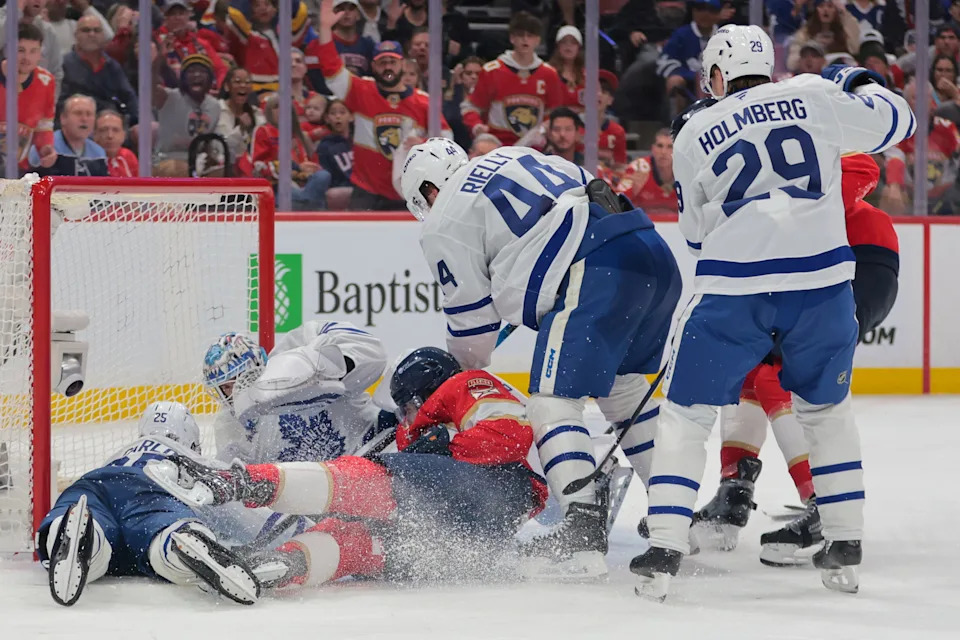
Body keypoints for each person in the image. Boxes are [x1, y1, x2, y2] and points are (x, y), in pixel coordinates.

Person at [633, 25, 914, 600]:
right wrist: (856, 79)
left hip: (737, 286)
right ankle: (844, 539)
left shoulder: (695, 130)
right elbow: (900, 120)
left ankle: (664, 544)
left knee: (686, 414)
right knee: (827, 408)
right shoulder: (813, 93)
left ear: (715, 75)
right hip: (825, 282)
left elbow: (694, 234)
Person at [399, 138, 682, 578]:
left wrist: (454, 379)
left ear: (426, 192)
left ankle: (582, 532)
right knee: (626, 394)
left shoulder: (442, 219)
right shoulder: (513, 155)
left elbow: (473, 341)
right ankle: (676, 521)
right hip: (651, 254)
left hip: (592, 268)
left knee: (551, 402)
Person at [146, 347, 547, 592]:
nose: (407, 418)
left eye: (409, 406)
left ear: (427, 390)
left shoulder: (467, 384)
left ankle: (242, 483)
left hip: (492, 489)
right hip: (465, 541)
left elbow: (510, 436)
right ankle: (277, 569)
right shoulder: (421, 432)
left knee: (372, 479)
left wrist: (449, 446)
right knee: (355, 544)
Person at [36, 402, 260, 607]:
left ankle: (83, 539)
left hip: (93, 485)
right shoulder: (189, 459)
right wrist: (268, 541)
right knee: (160, 527)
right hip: (150, 489)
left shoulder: (125, 451)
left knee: (96, 530)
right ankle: (178, 541)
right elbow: (233, 512)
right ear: (190, 439)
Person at [309, 0, 445, 211]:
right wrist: (325, 29)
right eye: (382, 62)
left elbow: (447, 140)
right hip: (366, 190)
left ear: (403, 64)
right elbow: (330, 69)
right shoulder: (361, 90)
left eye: (392, 61)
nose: (387, 66)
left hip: (408, 190)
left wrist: (425, 143)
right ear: (373, 66)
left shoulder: (423, 101)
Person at [202, 324, 392, 467]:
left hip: (381, 447)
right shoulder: (231, 428)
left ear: (258, 364)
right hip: (332, 497)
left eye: (239, 377)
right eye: (226, 387)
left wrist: (324, 368)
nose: (236, 390)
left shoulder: (293, 361)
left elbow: (374, 353)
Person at [461, 12, 563, 146]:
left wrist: (543, 130)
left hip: (535, 150)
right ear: (512, 38)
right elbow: (470, 107)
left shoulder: (549, 74)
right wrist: (477, 127)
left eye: (530, 35)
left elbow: (555, 114)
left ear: (538, 40)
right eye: (520, 35)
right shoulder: (492, 71)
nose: (525, 40)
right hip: (497, 147)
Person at [59, 15, 139, 124]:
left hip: (113, 123)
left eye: (97, 31)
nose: (92, 34)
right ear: (76, 35)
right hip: (78, 124)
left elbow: (129, 97)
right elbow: (61, 103)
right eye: (86, 30)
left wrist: (138, 121)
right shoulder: (63, 64)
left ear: (103, 36)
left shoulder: (112, 66)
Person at [152, 53, 221, 177]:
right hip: (167, 160)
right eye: (191, 71)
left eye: (202, 71)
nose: (196, 75)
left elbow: (207, 142)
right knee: (182, 169)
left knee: (224, 172)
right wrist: (158, 60)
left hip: (198, 161)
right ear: (182, 78)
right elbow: (148, 87)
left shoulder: (215, 106)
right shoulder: (168, 97)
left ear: (211, 79)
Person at [0, 23, 57, 171]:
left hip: (18, 170)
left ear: (40, 54)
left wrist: (45, 148)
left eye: (33, 51)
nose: (27, 57)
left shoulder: (46, 81)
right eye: (21, 50)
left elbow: (43, 126)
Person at [657, 0, 721, 117]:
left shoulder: (724, 35)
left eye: (711, 10)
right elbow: (665, 61)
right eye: (700, 9)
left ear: (719, 13)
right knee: (674, 81)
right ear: (693, 11)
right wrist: (689, 75)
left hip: (720, 81)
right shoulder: (681, 34)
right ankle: (675, 124)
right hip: (688, 82)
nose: (705, 14)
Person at [155, 0, 228, 90]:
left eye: (181, 13)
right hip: (173, 94)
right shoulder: (158, 42)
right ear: (165, 18)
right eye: (172, 14)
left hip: (205, 94)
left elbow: (221, 69)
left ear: (188, 16)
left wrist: (219, 88)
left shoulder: (200, 43)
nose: (177, 17)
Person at [30, 94, 108, 176]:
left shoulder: (99, 152)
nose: (84, 119)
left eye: (89, 114)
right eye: (78, 113)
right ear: (63, 118)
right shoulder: (44, 146)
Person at [0, 0, 64, 99]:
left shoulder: (48, 31)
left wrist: (48, 104)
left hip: (34, 104)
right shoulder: (2, 19)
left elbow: (56, 73)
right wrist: (16, 11)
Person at [787, 0, 861, 73]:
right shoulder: (804, 33)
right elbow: (791, 64)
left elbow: (855, 49)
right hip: (813, 75)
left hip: (839, 73)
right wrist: (812, 47)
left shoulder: (844, 32)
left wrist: (844, 13)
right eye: (821, 6)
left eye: (830, 6)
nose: (825, 10)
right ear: (815, 10)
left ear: (836, 11)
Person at [617, 128, 677, 213]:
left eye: (670, 147)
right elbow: (616, 204)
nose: (664, 152)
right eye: (660, 146)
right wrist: (633, 191)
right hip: (641, 224)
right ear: (653, 148)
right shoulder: (638, 168)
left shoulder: (686, 171)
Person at [216, 67, 265, 172]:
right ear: (227, 86)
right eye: (237, 82)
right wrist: (240, 130)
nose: (243, 85)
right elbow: (221, 148)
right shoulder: (217, 110)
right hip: (223, 168)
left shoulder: (258, 114)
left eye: (247, 82)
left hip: (251, 168)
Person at [329, 0, 375, 77]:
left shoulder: (368, 45)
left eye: (351, 8)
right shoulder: (324, 43)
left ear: (358, 14)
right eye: (341, 9)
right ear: (333, 14)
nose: (346, 13)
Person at [316, 98, 354, 189]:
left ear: (351, 117)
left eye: (342, 112)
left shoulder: (359, 142)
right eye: (333, 113)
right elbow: (328, 176)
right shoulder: (325, 146)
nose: (338, 116)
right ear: (327, 118)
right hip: (341, 189)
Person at [550, 25, 585, 112]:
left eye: (573, 42)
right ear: (558, 46)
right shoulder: (548, 72)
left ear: (579, 48)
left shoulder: (586, 75)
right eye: (564, 42)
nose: (568, 45)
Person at [597, 70, 627, 168]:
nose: (599, 94)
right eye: (594, 90)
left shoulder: (617, 132)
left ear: (610, 100)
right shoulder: (572, 126)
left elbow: (620, 167)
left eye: (604, 91)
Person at [94, 110, 139, 177]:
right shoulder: (88, 159)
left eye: (115, 130)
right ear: (95, 135)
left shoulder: (128, 156)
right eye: (104, 130)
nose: (110, 136)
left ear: (123, 135)